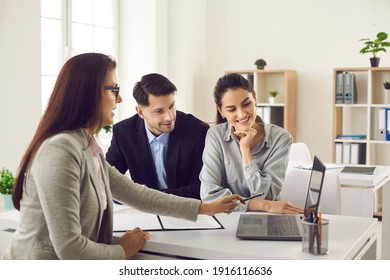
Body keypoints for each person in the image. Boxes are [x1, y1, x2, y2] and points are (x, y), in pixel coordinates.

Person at [3, 53, 242, 260]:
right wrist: (122, 250)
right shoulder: (60, 149)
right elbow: (70, 248)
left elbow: (134, 193)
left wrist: (204, 208)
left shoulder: (86, 144)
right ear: (89, 93)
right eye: (114, 90)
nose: (119, 99)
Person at [200, 73, 303, 214]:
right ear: (221, 111)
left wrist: (245, 150)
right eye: (231, 109)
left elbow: (267, 196)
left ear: (254, 98)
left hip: (268, 217)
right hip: (227, 219)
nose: (242, 114)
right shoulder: (215, 135)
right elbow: (209, 196)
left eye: (246, 104)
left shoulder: (281, 138)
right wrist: (260, 204)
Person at [106, 73, 209, 199]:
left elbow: (202, 188)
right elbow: (107, 184)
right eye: (159, 111)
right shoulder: (123, 133)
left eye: (171, 106)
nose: (170, 117)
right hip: (144, 213)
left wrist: (149, 197)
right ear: (140, 112)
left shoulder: (197, 130)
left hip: (187, 211)